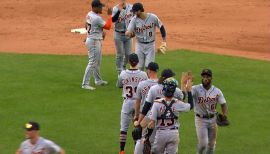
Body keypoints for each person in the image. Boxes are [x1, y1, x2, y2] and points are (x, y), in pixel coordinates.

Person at [133, 69, 184, 154]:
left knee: (143, 141)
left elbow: (146, 107)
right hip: (168, 122)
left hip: (151, 119)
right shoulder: (176, 90)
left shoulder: (154, 89)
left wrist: (139, 122)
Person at [146, 77, 193, 154]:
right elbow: (190, 106)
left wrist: (147, 137)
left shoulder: (157, 103)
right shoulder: (178, 103)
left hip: (160, 134)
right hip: (174, 134)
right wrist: (189, 91)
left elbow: (151, 123)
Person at [192, 69, 228, 154]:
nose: (205, 78)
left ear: (211, 78)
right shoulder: (195, 89)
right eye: (203, 76)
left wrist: (225, 114)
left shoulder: (217, 91)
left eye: (207, 76)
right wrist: (186, 84)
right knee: (203, 144)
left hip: (213, 120)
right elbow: (187, 92)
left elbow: (223, 104)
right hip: (200, 120)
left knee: (211, 145)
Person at [117, 53, 148, 154]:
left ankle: (121, 151)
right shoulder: (143, 74)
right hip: (139, 103)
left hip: (127, 102)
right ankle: (136, 150)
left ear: (129, 62)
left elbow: (119, 85)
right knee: (138, 127)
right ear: (138, 62)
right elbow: (146, 87)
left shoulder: (123, 74)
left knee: (123, 128)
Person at [82, 0, 113, 90]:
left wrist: (94, 32)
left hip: (92, 39)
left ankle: (98, 80)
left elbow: (86, 26)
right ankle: (85, 84)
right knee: (92, 62)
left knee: (97, 61)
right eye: (100, 7)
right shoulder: (96, 18)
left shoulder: (89, 14)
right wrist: (110, 15)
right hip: (94, 41)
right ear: (95, 7)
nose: (101, 8)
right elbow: (108, 26)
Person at [125, 3, 167, 70]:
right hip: (139, 45)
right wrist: (129, 34)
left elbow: (161, 27)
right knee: (139, 66)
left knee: (149, 67)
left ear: (139, 11)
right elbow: (128, 31)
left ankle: (148, 80)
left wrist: (164, 41)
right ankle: (141, 80)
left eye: (134, 11)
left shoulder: (153, 17)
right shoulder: (134, 19)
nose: (133, 13)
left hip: (150, 45)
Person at [133, 62, 159, 154]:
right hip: (158, 118)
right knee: (156, 140)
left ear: (149, 70)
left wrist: (136, 117)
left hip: (145, 117)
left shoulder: (142, 84)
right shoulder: (161, 86)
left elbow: (138, 102)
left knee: (141, 140)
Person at [112, 0, 133, 75]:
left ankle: (123, 66)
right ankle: (119, 72)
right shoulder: (115, 8)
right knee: (120, 54)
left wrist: (134, 31)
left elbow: (135, 18)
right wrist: (119, 11)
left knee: (128, 54)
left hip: (128, 34)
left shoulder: (131, 7)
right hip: (118, 34)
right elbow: (113, 20)